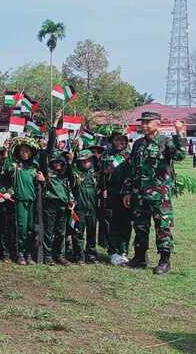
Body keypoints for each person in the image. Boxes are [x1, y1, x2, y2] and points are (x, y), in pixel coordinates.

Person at [123, 113, 186, 274]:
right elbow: (132, 169)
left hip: (159, 195)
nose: (143, 125)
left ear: (157, 124)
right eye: (142, 122)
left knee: (162, 227)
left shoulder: (166, 142)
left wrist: (180, 133)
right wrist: (128, 192)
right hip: (139, 194)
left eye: (147, 122)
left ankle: (164, 261)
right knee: (140, 226)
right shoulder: (138, 144)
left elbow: (180, 155)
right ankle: (139, 258)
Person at [5, 137, 43, 265]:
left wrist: (42, 180)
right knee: (21, 228)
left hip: (32, 203)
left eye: (27, 150)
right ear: (18, 152)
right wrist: (8, 149)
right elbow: (7, 168)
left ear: (31, 152)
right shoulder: (15, 166)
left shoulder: (35, 167)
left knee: (31, 229)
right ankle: (20, 253)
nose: (25, 153)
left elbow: (41, 184)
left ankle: (29, 254)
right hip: (20, 201)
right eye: (22, 150)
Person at [101, 131, 132, 266]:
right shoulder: (106, 155)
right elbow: (102, 174)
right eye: (118, 140)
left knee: (126, 223)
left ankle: (123, 251)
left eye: (124, 140)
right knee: (113, 223)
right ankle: (113, 252)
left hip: (127, 193)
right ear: (112, 141)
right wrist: (103, 190)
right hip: (112, 193)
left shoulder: (130, 156)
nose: (121, 143)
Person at [41, 150, 74, 266]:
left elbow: (71, 182)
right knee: (49, 232)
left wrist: (70, 162)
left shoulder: (65, 174)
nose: (57, 164)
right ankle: (48, 256)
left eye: (60, 162)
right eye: (55, 162)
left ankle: (60, 255)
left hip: (63, 206)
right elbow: (43, 158)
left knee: (61, 232)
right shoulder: (47, 174)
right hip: (50, 205)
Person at [69, 149, 99, 264]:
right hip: (79, 209)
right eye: (83, 160)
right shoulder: (75, 174)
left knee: (92, 232)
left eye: (88, 160)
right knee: (78, 232)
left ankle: (91, 254)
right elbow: (69, 171)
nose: (86, 162)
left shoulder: (95, 175)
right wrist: (71, 160)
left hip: (92, 209)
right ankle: (79, 255)